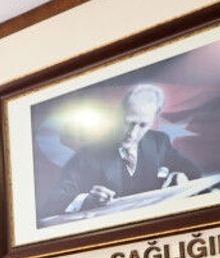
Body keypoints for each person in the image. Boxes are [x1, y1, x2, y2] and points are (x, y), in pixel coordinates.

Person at [44, 83, 201, 217]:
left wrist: (181, 176)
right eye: (129, 122)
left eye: (143, 125)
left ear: (153, 120)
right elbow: (55, 199)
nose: (132, 133)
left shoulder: (158, 142)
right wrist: (87, 199)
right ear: (119, 115)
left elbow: (193, 171)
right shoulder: (89, 153)